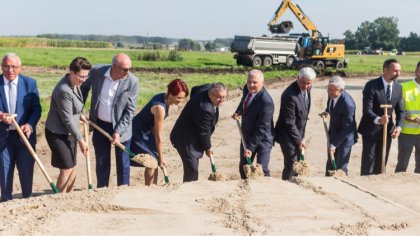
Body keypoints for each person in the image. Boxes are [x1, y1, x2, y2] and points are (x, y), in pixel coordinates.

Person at [81, 53, 139, 188]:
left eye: (130, 68)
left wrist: (118, 131)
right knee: (102, 162)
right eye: (125, 69)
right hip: (99, 124)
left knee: (123, 164)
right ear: (114, 66)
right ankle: (102, 191)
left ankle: (123, 192)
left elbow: (130, 111)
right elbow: (84, 88)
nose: (128, 72)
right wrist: (79, 109)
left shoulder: (132, 81)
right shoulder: (96, 72)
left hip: (121, 128)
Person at [45, 57, 91, 193]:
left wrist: (80, 115)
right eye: (81, 76)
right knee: (67, 169)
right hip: (57, 133)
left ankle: (68, 197)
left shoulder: (75, 84)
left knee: (72, 169)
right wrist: (81, 140)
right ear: (71, 72)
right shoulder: (63, 90)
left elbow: (74, 107)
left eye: (86, 77)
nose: (83, 80)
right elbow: (68, 120)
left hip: (70, 132)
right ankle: (57, 199)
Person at [131, 79, 189, 185]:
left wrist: (158, 155)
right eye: (179, 97)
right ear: (170, 93)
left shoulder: (164, 97)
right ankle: (149, 189)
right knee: (152, 162)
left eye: (183, 98)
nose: (181, 100)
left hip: (148, 131)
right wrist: (161, 159)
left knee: (155, 159)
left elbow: (154, 130)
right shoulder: (160, 108)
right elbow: (158, 136)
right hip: (137, 132)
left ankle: (154, 186)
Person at [0, 53, 41, 201]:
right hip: (3, 136)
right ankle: (5, 203)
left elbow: (36, 109)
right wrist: (0, 116)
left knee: (26, 171)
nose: (10, 70)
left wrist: (30, 124)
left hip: (25, 136)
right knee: (4, 172)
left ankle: (27, 201)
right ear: (1, 66)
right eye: (6, 66)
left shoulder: (30, 83)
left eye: (14, 67)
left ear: (20, 68)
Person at [170, 83, 227, 182]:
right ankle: (189, 189)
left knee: (193, 164)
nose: (221, 100)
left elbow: (195, 88)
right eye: (218, 97)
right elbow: (204, 132)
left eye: (224, 97)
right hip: (185, 139)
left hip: (193, 131)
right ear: (210, 94)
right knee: (192, 169)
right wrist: (208, 148)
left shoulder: (206, 88)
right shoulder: (205, 109)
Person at [358, 58, 404, 175]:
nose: (398, 74)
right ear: (385, 70)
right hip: (370, 130)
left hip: (387, 131)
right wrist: (379, 119)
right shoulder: (371, 86)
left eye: (399, 71)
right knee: (368, 162)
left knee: (382, 162)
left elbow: (401, 111)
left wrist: (398, 128)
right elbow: (366, 110)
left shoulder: (398, 88)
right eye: (395, 71)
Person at [274, 67, 316, 180]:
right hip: (286, 133)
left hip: (298, 131)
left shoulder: (308, 88)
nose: (306, 86)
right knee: (292, 163)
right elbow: (289, 121)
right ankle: (287, 185)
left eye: (309, 84)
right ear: (298, 78)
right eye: (303, 83)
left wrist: (301, 137)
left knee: (298, 161)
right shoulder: (289, 95)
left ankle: (296, 183)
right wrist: (299, 140)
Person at [232, 69, 275, 179]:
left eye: (255, 82)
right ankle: (246, 191)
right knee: (244, 167)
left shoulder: (266, 102)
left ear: (262, 83)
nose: (251, 85)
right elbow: (244, 100)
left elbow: (262, 128)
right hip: (247, 134)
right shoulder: (247, 88)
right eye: (249, 81)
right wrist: (238, 111)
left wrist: (250, 148)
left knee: (261, 169)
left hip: (263, 139)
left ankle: (265, 191)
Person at [320, 76, 357, 176]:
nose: (330, 92)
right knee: (331, 163)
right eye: (329, 89)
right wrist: (327, 112)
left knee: (341, 166)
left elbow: (347, 129)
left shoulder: (348, 104)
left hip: (345, 138)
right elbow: (331, 105)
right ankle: (327, 183)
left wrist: (334, 144)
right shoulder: (332, 95)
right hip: (334, 133)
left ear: (341, 90)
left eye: (333, 90)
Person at [395, 61, 420, 173]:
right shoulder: (404, 87)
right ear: (416, 71)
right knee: (402, 165)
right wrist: (411, 119)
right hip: (407, 132)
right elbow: (399, 110)